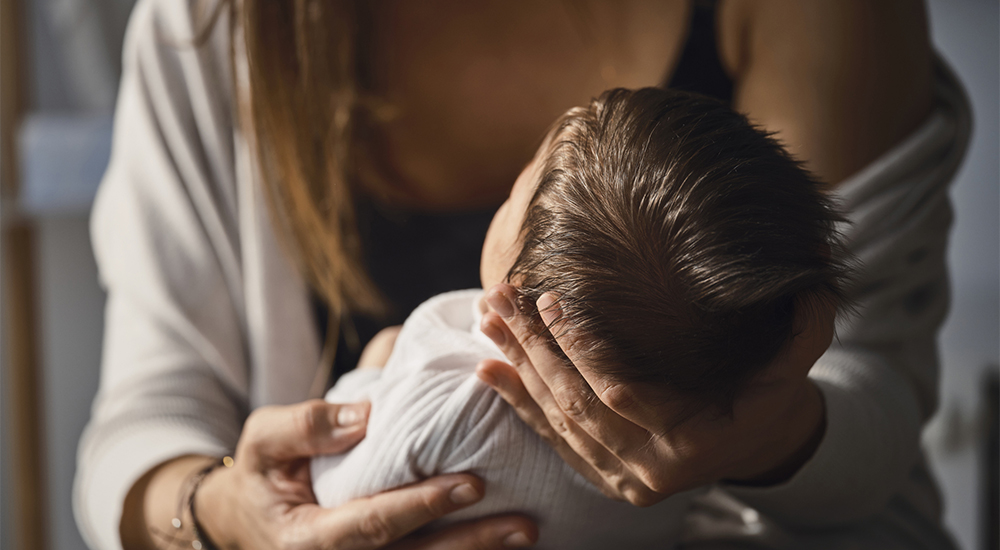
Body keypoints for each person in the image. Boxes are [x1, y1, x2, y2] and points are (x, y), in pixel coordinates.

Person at [75, 0, 964, 549]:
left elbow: (875, 404)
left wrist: (773, 435)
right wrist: (220, 513)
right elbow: (145, 420)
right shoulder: (217, 25)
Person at [310, 87, 850, 549]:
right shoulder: (689, 446)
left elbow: (336, 496)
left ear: (516, 295)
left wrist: (369, 375)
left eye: (516, 189)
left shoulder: (457, 397)